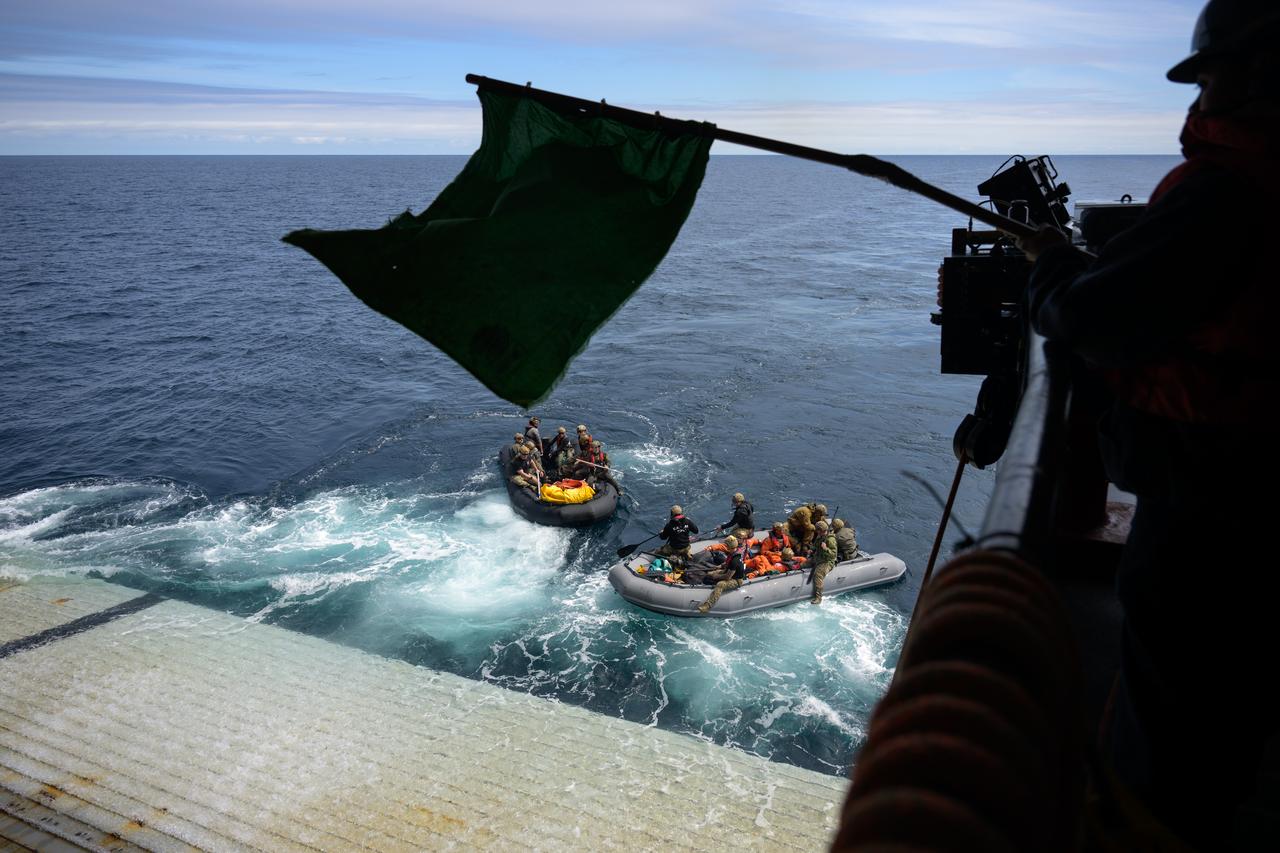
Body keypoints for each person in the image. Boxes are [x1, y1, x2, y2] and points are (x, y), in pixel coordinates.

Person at [1015, 2, 1278, 844]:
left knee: (1172, 713)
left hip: (1213, 502)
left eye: (1214, 74)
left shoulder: (1230, 192)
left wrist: (1050, 262)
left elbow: (1091, 317)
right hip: (1251, 487)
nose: (1204, 96)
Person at [697, 537, 748, 614]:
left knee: (720, 584)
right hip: (727, 571)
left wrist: (717, 576)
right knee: (710, 573)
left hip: (736, 580)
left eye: (726, 545)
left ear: (729, 547)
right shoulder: (734, 553)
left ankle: (707, 606)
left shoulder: (735, 560)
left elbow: (728, 577)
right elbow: (727, 562)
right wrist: (720, 566)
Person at [808, 520, 838, 604]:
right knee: (803, 563)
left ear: (820, 530)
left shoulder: (830, 540)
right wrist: (811, 549)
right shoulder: (820, 536)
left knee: (818, 575)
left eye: (817, 530)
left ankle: (818, 597)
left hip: (827, 561)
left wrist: (825, 549)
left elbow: (833, 555)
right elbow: (815, 545)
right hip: (818, 558)